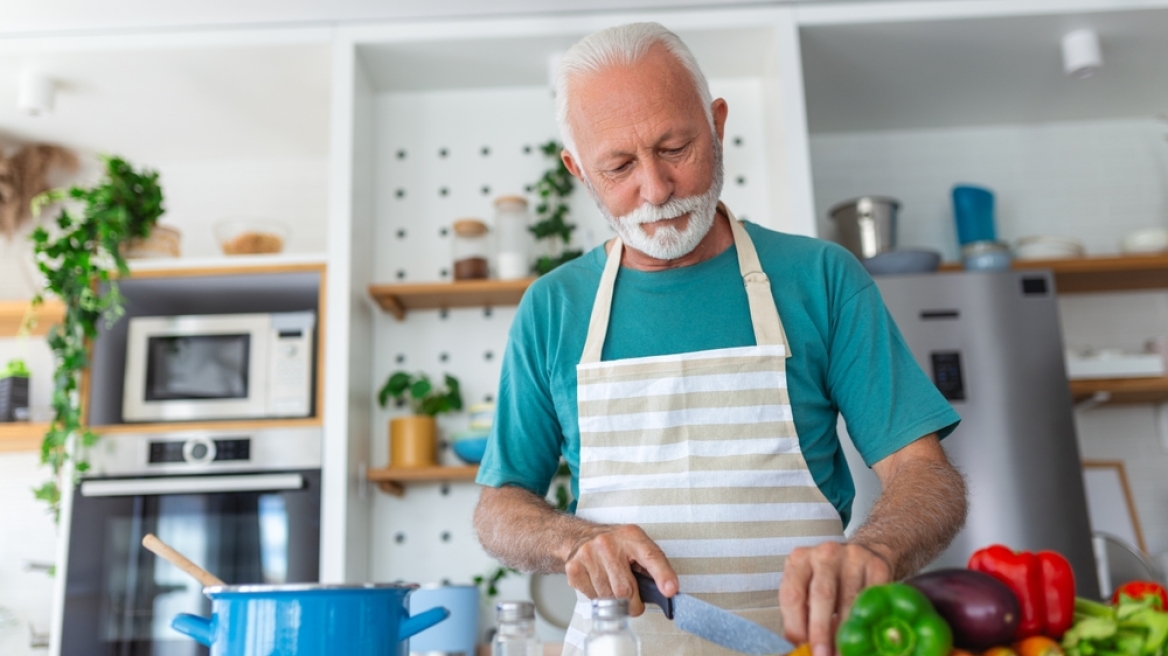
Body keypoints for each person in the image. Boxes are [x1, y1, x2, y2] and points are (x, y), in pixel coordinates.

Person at [472, 22, 967, 656]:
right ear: (577, 170)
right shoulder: (554, 306)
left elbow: (922, 471)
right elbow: (500, 505)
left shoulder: (820, 278)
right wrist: (571, 540)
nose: (655, 189)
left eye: (676, 147)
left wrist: (875, 550)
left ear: (717, 123)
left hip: (799, 642)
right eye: (619, 166)